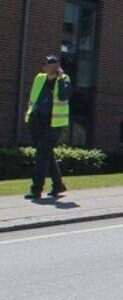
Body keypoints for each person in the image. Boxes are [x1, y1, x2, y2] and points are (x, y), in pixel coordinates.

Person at [25, 54, 71, 200]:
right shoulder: (39, 78)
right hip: (37, 121)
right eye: (49, 63)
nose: (52, 66)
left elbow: (64, 96)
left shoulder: (64, 79)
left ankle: (36, 189)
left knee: (41, 154)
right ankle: (58, 184)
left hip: (54, 124)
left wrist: (62, 77)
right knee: (46, 153)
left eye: (55, 63)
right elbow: (34, 98)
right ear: (44, 66)